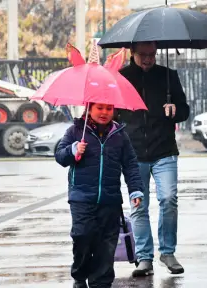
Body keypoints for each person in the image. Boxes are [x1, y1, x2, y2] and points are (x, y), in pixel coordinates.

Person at [116, 41, 190, 276]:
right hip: (133, 153)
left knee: (169, 199)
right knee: (139, 206)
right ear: (132, 53)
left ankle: (167, 252)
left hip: (164, 150)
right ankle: (144, 257)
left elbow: (185, 109)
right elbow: (114, 112)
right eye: (143, 55)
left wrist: (175, 110)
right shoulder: (122, 77)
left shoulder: (168, 76)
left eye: (152, 54)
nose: (149, 59)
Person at [55, 103, 144, 288]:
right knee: (82, 236)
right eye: (100, 108)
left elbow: (130, 164)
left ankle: (101, 283)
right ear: (89, 109)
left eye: (109, 109)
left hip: (110, 199)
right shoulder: (75, 131)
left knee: (107, 244)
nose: (104, 113)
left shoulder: (119, 135)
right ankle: (80, 276)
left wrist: (135, 189)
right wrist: (73, 150)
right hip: (81, 198)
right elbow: (60, 157)